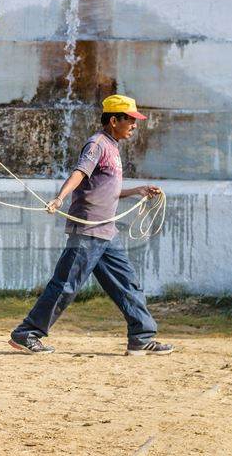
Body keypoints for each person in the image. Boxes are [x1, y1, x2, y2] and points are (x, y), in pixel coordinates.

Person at [9, 94, 173, 356]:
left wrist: (137, 191)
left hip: (106, 232)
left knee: (127, 284)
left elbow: (104, 189)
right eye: (130, 120)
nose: (134, 125)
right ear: (113, 120)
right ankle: (27, 333)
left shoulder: (113, 146)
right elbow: (79, 173)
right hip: (87, 231)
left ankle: (141, 337)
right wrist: (59, 198)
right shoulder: (96, 144)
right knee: (65, 285)